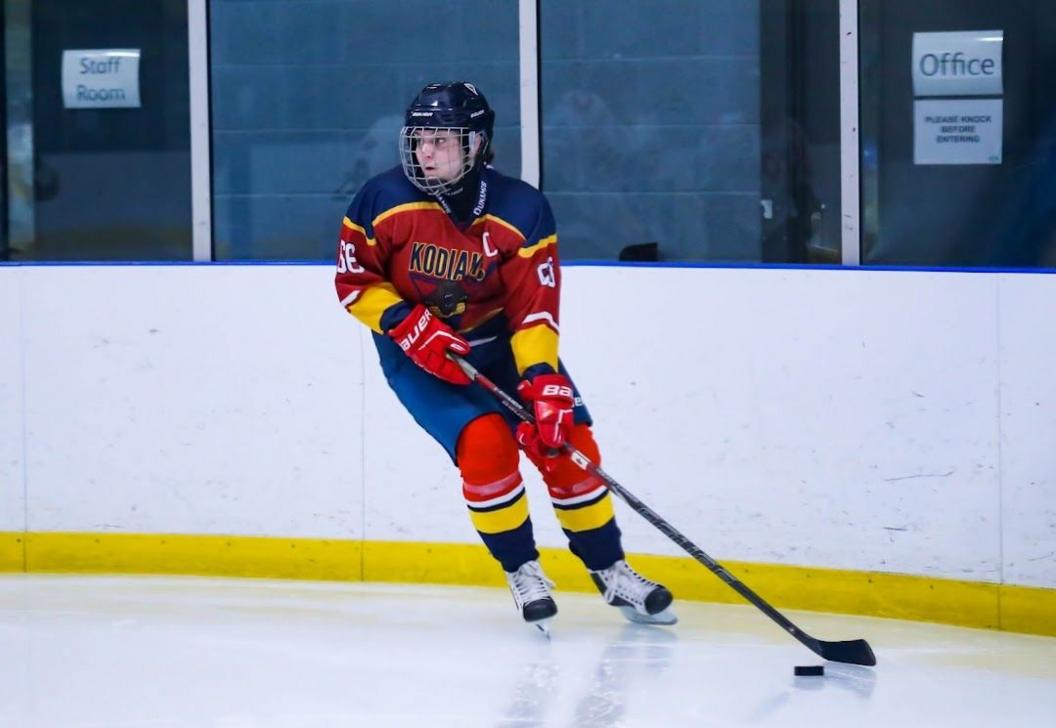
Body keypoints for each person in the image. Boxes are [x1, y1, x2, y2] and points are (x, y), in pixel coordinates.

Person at [334, 81, 676, 630]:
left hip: (502, 348)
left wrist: (542, 379)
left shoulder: (522, 208)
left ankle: (611, 571)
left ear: (476, 144)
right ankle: (522, 570)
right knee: (485, 445)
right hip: (419, 358)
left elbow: (534, 310)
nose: (425, 152)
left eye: (441, 140)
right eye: (419, 139)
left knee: (566, 443)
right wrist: (405, 321)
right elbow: (355, 284)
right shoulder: (380, 199)